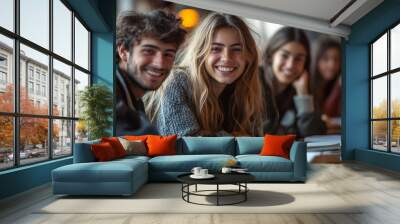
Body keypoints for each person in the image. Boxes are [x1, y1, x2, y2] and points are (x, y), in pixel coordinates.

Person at [145, 13, 265, 136]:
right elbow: (185, 144)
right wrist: (235, 137)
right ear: (201, 53)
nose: (227, 58)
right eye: (216, 49)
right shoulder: (176, 80)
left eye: (236, 49)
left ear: (249, 56)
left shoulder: (244, 91)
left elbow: (255, 143)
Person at [115, 10, 186, 136]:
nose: (160, 64)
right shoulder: (112, 93)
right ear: (124, 52)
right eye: (149, 51)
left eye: (168, 54)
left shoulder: (134, 99)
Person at [261, 27, 326, 137]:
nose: (290, 65)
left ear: (305, 63)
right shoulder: (253, 82)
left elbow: (313, 135)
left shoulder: (303, 87)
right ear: (271, 55)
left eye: (298, 59)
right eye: (284, 56)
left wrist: (303, 96)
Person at [311, 38, 342, 132]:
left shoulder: (336, 82)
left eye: (337, 59)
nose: (332, 64)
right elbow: (325, 115)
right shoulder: (307, 84)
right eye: (325, 59)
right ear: (316, 60)